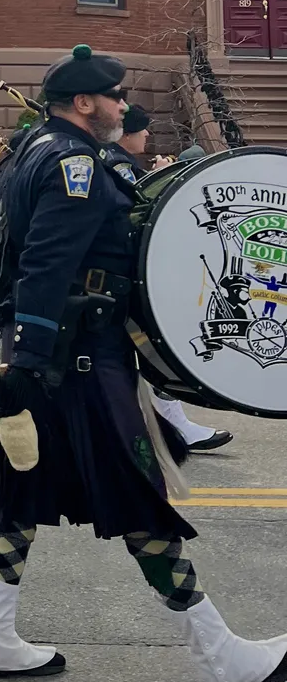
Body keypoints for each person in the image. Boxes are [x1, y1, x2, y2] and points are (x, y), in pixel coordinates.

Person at [0, 45, 287, 682]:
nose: (123, 104)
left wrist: (21, 362)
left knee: (16, 500)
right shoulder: (72, 162)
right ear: (84, 103)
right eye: (115, 95)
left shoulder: (36, 150)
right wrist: (32, 362)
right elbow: (46, 266)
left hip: (48, 356)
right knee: (141, 504)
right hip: (75, 360)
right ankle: (220, 657)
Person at [103, 104, 233, 453]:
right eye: (143, 129)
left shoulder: (118, 163)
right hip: (128, 281)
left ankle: (170, 428)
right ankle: (167, 429)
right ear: (127, 133)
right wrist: (163, 179)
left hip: (124, 281)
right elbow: (137, 219)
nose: (148, 135)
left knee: (147, 356)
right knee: (152, 351)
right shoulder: (118, 165)